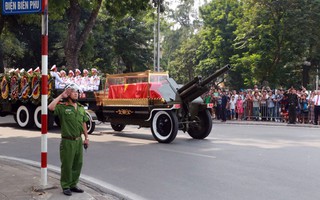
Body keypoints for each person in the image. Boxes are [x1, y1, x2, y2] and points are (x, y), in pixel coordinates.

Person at [48, 83, 89, 196]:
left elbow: (83, 122)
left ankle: (73, 184)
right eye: (73, 92)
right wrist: (61, 95)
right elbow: (50, 107)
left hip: (78, 140)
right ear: (68, 94)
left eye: (77, 92)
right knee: (67, 164)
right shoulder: (62, 107)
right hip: (67, 141)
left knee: (78, 163)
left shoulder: (80, 108)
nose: (76, 94)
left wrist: (86, 137)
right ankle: (65, 185)